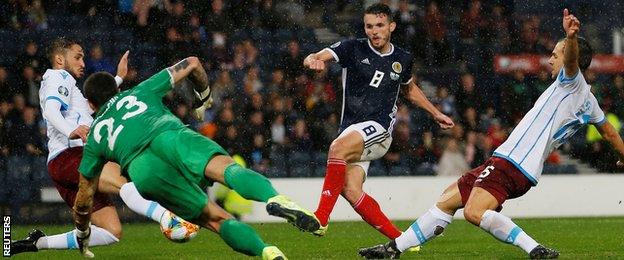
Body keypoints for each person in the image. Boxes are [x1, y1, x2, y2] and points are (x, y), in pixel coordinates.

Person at [358, 9, 624, 259]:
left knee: (474, 212)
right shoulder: (588, 101)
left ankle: (534, 249)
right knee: (449, 199)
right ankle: (394, 249)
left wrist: (571, 37)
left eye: (556, 54)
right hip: (508, 161)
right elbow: (611, 134)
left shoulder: (571, 83)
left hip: (514, 162)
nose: (551, 59)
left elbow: (572, 61)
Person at [72, 56, 321, 259]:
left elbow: (84, 198)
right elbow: (192, 62)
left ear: (91, 105)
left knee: (215, 219)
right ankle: (275, 198)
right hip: (169, 136)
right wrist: (203, 95)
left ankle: (267, 251)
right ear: (117, 88)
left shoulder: (95, 136)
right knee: (228, 170)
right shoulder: (140, 91)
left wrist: (83, 234)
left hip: (143, 171)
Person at [10, 38, 182, 255]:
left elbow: (86, 110)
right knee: (122, 181)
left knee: (112, 231)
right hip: (70, 156)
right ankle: (168, 219)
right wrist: (69, 130)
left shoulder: (67, 86)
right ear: (60, 59)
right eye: (78, 56)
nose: (83, 62)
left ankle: (38, 243)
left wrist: (118, 78)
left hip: (62, 166)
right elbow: (52, 111)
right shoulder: (58, 76)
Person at [303, 3, 454, 238]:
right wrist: (312, 60)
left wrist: (435, 113)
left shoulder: (402, 58)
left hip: (379, 128)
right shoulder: (352, 48)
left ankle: (321, 218)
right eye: (369, 26)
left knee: (337, 149)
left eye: (380, 25)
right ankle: (402, 239)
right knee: (350, 190)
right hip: (351, 130)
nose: (374, 31)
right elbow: (318, 55)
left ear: (391, 26)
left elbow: (409, 89)